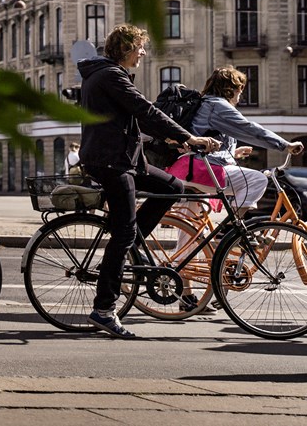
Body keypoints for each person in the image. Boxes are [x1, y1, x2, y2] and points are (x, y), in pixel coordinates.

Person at [77, 24, 219, 339]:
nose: (143, 53)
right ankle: (103, 310)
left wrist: (170, 142)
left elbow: (126, 122)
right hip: (111, 163)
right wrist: (189, 137)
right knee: (124, 231)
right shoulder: (111, 76)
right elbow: (146, 111)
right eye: (140, 47)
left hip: (122, 158)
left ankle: (127, 248)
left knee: (173, 188)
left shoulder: (105, 75)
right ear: (126, 49)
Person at [190, 66, 304, 216]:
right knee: (257, 180)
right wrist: (285, 145)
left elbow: (206, 137)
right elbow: (249, 129)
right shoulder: (217, 105)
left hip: (188, 166)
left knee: (191, 231)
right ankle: (230, 229)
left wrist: (233, 153)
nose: (241, 93)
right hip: (201, 168)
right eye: (240, 88)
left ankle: (214, 237)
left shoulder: (205, 104)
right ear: (231, 89)